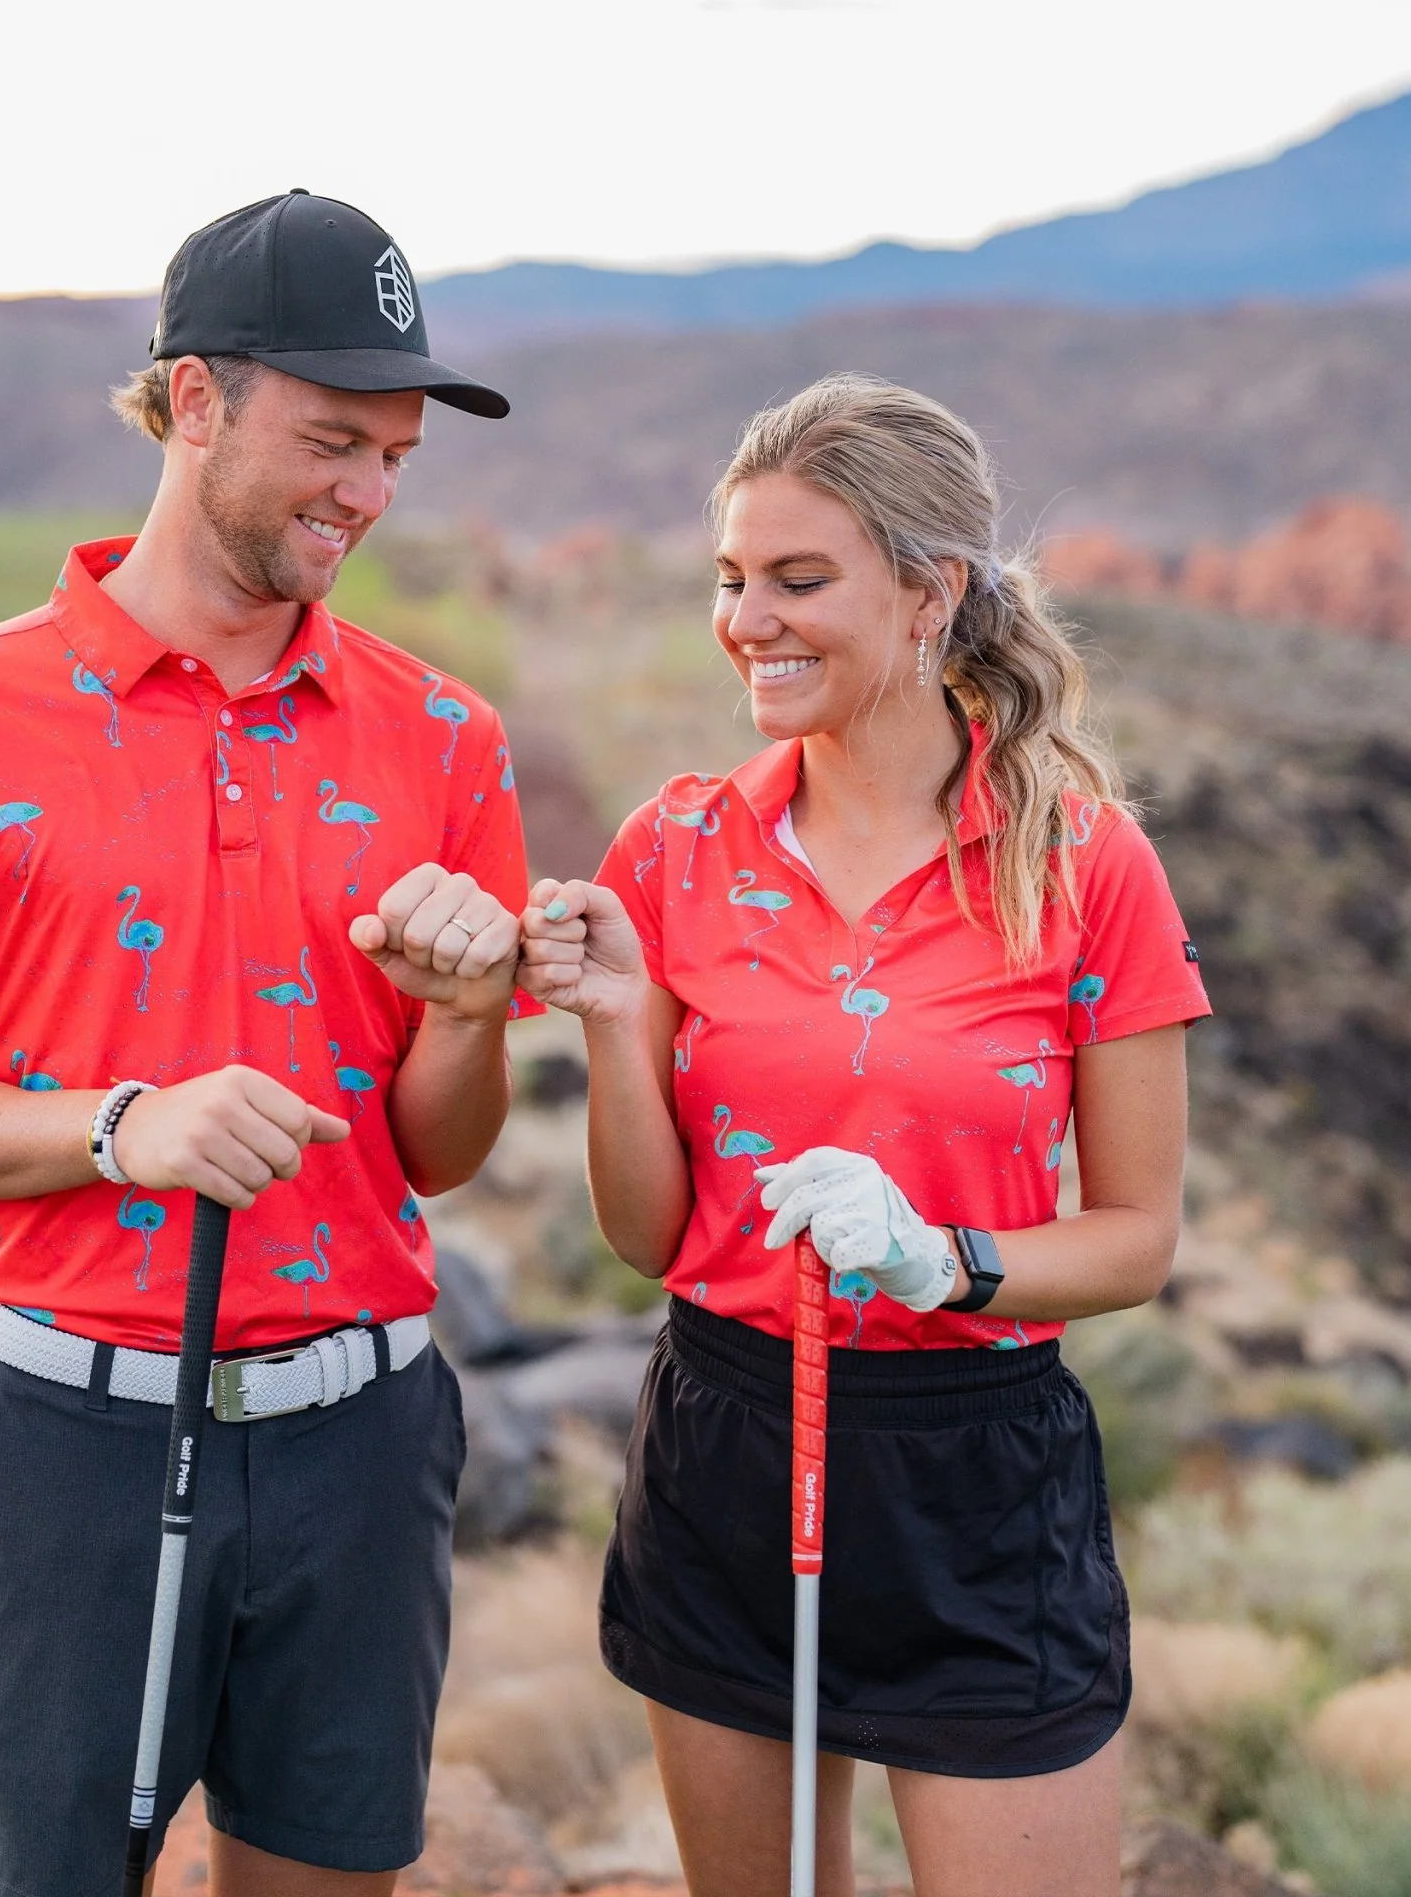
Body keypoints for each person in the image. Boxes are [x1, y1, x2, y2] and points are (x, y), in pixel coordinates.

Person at [0, 192, 535, 1897]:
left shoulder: (445, 736)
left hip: (362, 1435)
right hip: (69, 1444)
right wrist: (114, 1126)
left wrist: (470, 1010)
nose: (365, 492)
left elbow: (438, 1148)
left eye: (395, 456)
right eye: (331, 441)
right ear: (194, 400)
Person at [517, 374, 1212, 1897]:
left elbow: (1135, 1239)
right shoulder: (675, 847)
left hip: (972, 1476)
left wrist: (937, 1258)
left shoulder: (1082, 864)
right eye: (729, 578)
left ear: (929, 592)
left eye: (796, 578)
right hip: (724, 1444)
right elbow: (651, 1238)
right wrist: (611, 1026)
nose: (745, 618)